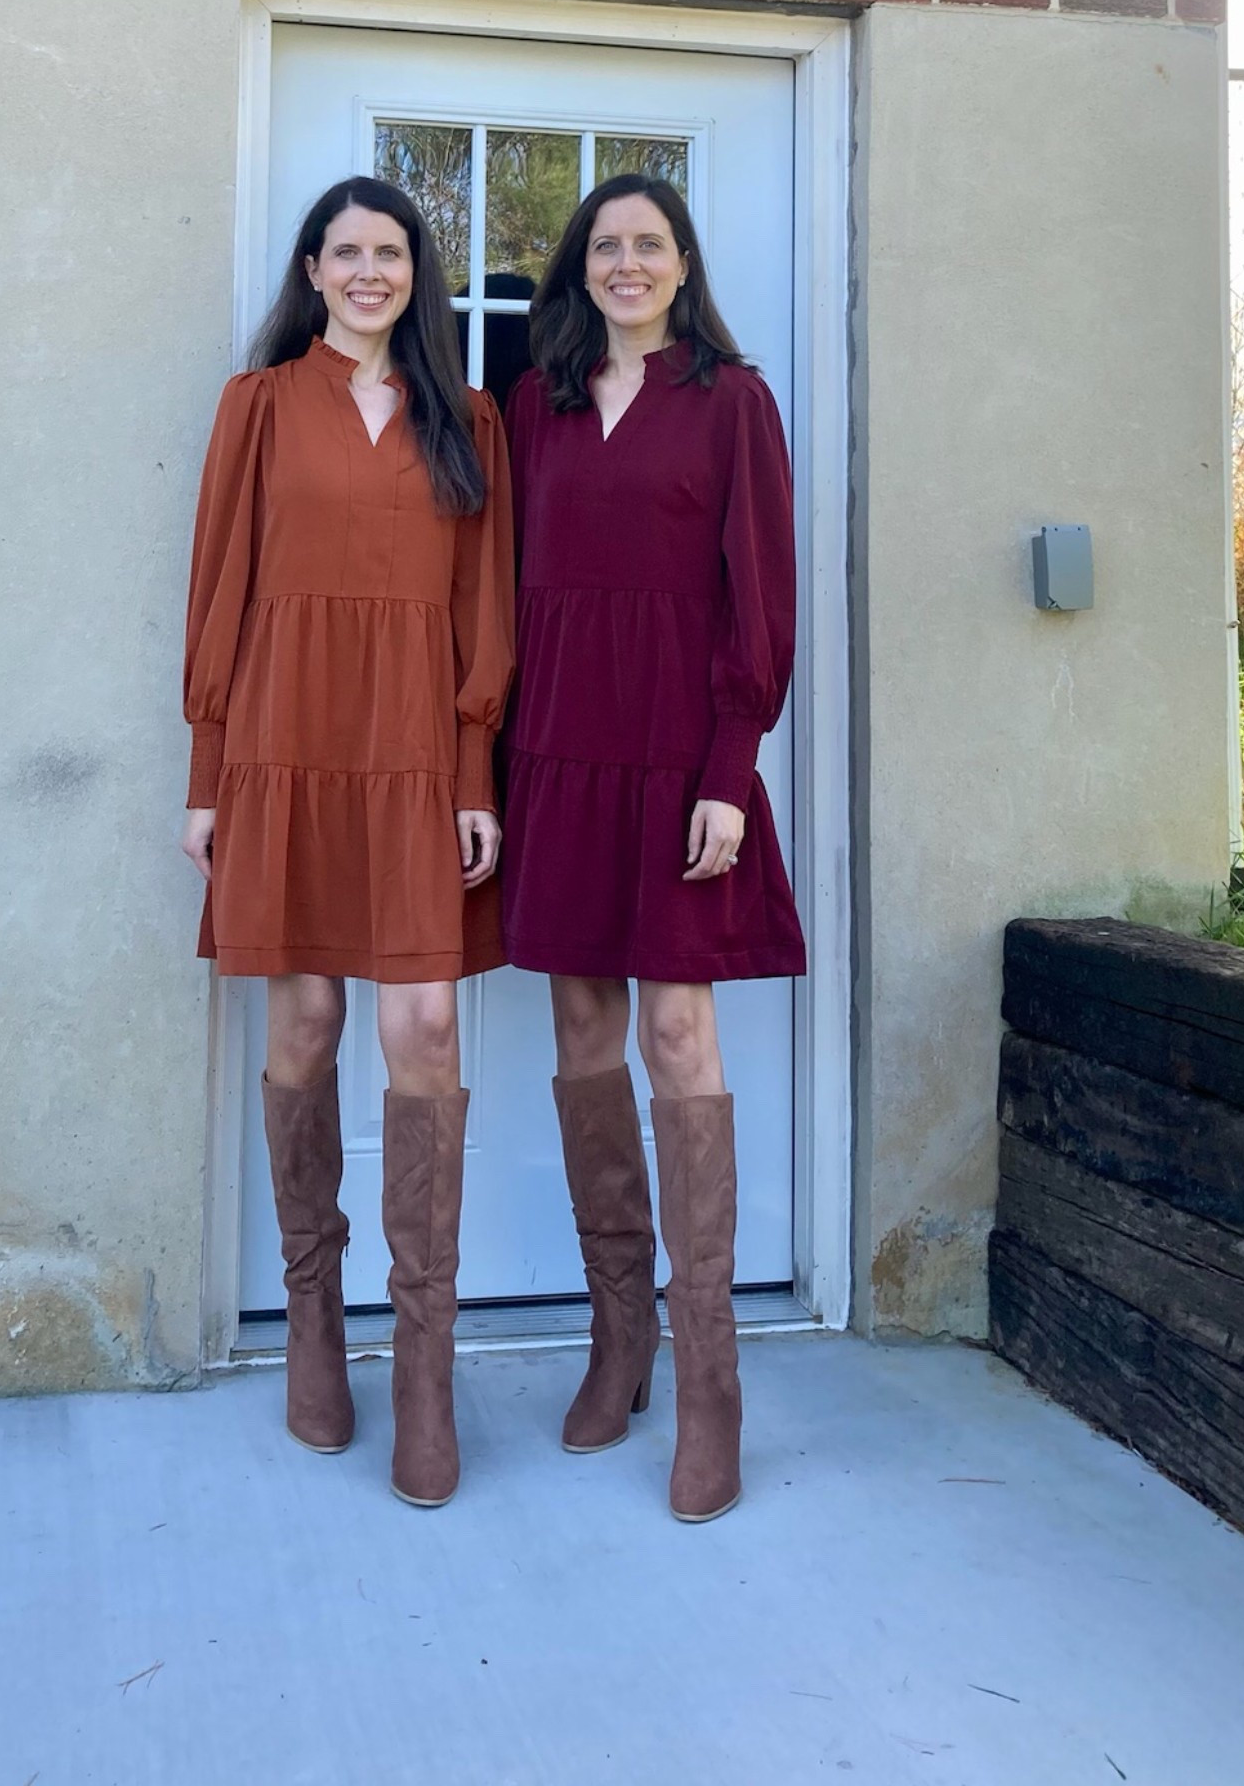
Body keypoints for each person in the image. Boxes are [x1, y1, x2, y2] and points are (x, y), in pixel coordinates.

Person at [181, 176, 514, 1507]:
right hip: (281, 740)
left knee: (422, 1027)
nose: (369, 272)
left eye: (390, 253)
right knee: (307, 1018)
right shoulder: (256, 409)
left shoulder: (468, 417)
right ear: (314, 270)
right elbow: (215, 587)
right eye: (347, 252)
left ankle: (421, 1364)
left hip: (418, 753)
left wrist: (475, 769)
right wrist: (208, 774)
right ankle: (311, 1327)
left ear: (414, 275)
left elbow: (486, 606)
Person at [501, 174, 806, 1523]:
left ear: (683, 266)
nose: (626, 264)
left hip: (683, 762)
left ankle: (710, 1382)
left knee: (679, 1040)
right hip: (558, 757)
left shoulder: (731, 401)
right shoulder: (536, 404)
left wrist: (732, 769)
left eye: (649, 245)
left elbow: (764, 595)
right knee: (581, 1034)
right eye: (605, 246)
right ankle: (616, 1341)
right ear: (580, 271)